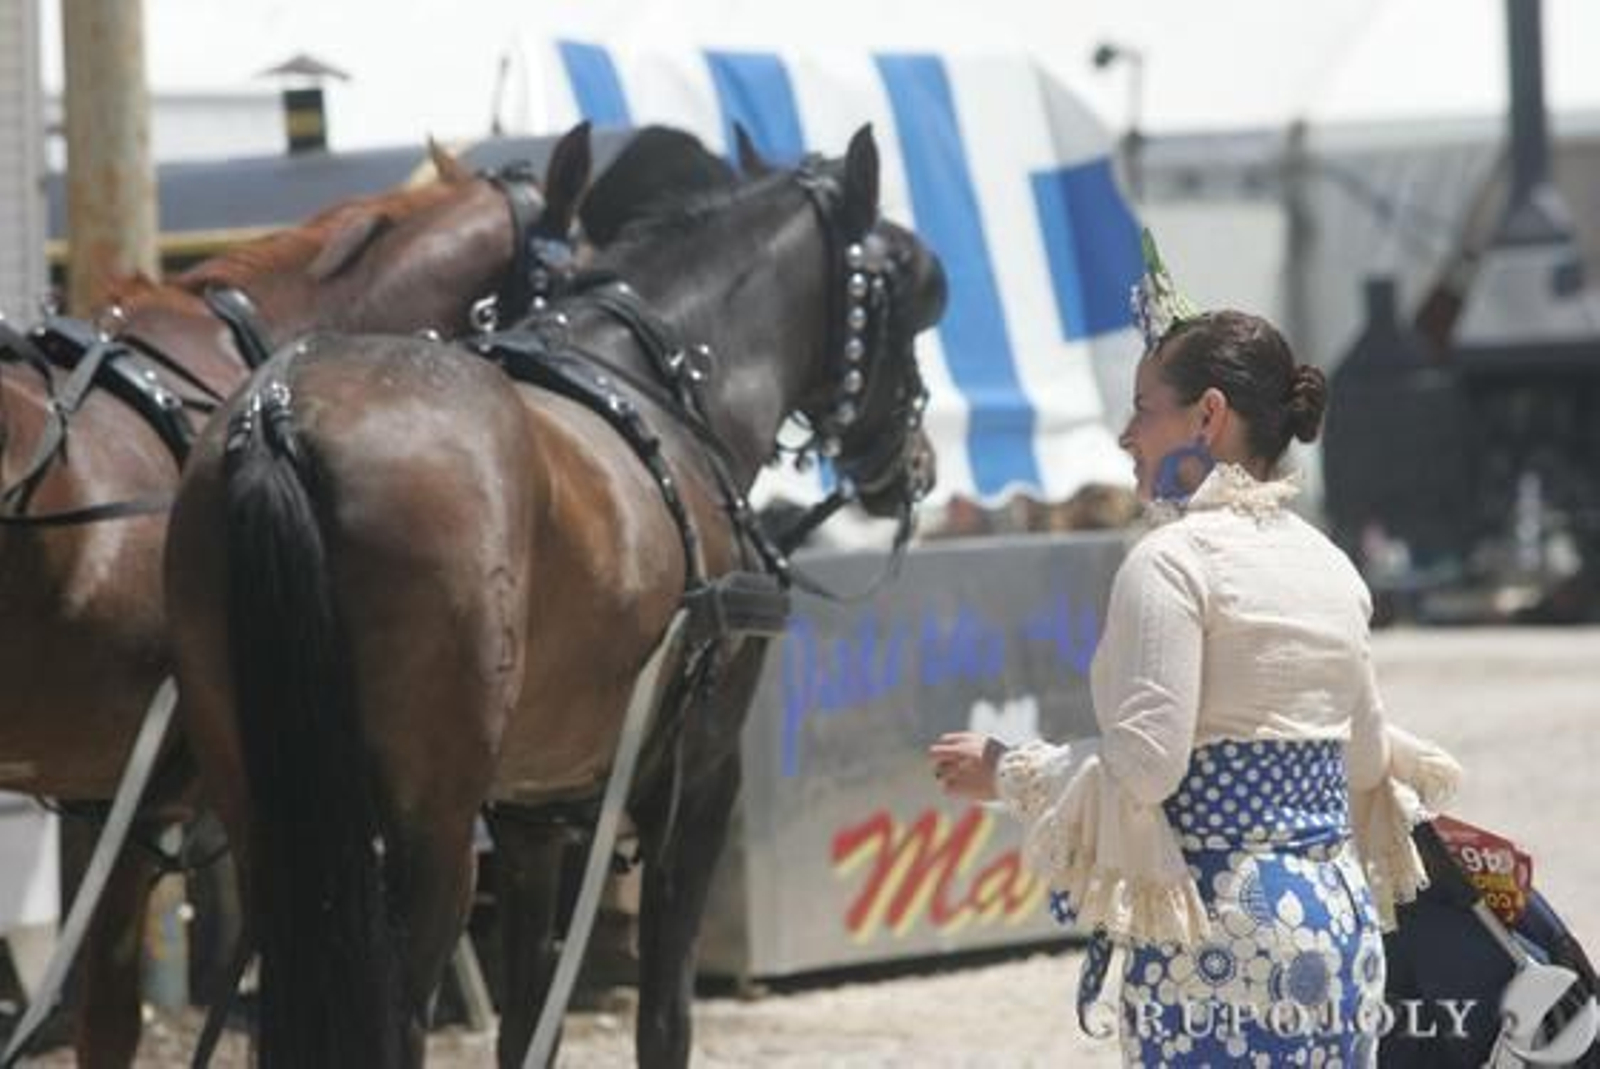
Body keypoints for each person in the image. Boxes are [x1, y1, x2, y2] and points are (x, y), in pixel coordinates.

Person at [928, 232, 1462, 1065]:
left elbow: (1146, 768)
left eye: (1144, 407)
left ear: (1207, 416)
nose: (1125, 434)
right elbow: (1365, 762)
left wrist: (1010, 769)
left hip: (1221, 936)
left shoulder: (1171, 562)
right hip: (1338, 928)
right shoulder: (1330, 564)